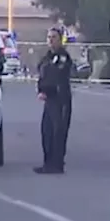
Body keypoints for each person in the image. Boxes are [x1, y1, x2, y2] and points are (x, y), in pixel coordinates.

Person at [34, 26, 74, 174]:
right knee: (47, 131)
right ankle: (47, 163)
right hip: (49, 99)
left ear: (60, 40)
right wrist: (41, 90)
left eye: (54, 37)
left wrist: (46, 90)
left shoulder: (63, 56)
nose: (51, 40)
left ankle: (57, 164)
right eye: (49, 37)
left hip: (60, 98)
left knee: (58, 132)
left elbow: (56, 75)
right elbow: (42, 72)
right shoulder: (47, 56)